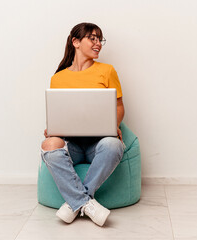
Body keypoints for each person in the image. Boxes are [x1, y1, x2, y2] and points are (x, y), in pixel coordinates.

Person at [40, 22, 125, 227]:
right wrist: (52, 129)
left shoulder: (107, 71)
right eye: (92, 38)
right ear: (76, 42)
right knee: (49, 144)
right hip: (72, 145)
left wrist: (114, 124)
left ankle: (75, 203)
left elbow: (120, 107)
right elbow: (58, 112)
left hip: (100, 143)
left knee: (114, 145)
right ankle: (86, 203)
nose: (98, 44)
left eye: (100, 39)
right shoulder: (58, 78)